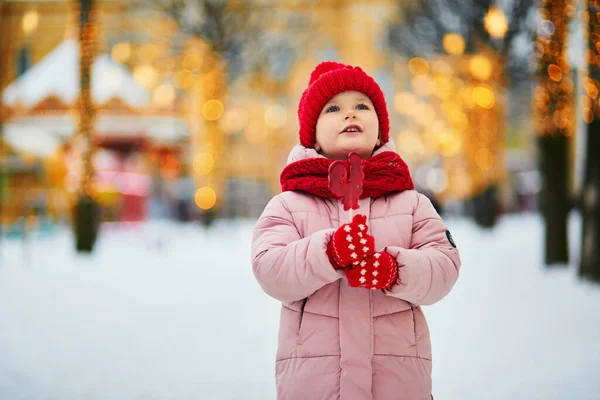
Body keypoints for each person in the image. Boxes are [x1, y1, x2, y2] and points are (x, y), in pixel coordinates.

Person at [251, 61, 461, 400]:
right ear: (313, 138)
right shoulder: (288, 204)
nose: (350, 115)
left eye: (362, 106)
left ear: (380, 131)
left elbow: (444, 265)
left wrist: (396, 270)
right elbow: (269, 268)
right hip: (316, 384)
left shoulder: (410, 202)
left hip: (396, 383)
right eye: (333, 108)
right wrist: (327, 253)